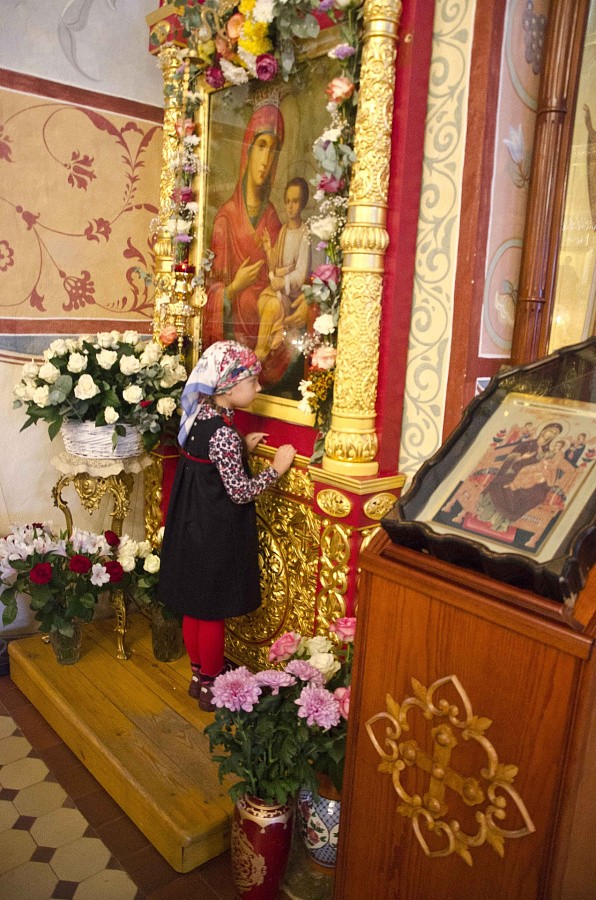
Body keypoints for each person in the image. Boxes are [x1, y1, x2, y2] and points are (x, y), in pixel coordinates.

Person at [157, 341, 296, 711]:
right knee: (211, 612)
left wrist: (241, 449)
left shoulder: (199, 418)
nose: (259, 388)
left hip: (191, 527)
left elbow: (211, 465)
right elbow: (240, 491)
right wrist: (276, 469)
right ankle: (212, 686)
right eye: (253, 382)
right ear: (229, 387)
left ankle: (197, 676)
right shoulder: (223, 433)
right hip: (214, 533)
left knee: (193, 607)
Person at [203, 103, 293, 388]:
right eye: (261, 146)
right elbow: (209, 292)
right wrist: (234, 287)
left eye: (273, 150)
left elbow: (283, 281)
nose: (266, 160)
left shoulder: (273, 219)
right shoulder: (226, 219)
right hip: (236, 343)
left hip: (267, 329)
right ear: (248, 151)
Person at [256, 176, 311, 362]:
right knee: (262, 302)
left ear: (302, 203)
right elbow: (276, 265)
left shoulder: (305, 233)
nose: (290, 207)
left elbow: (300, 273)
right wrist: (268, 249)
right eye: (287, 201)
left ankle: (260, 353)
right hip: (277, 289)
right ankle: (267, 345)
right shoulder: (284, 230)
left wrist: (283, 281)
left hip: (291, 296)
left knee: (272, 306)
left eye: (295, 201)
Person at [475, 422, 563, 532]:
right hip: (514, 470)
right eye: (551, 431)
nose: (551, 434)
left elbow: (549, 468)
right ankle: (488, 514)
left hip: (531, 476)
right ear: (544, 430)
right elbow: (509, 459)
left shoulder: (548, 452)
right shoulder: (527, 444)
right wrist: (522, 457)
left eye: (555, 433)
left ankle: (501, 522)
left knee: (537, 494)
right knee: (510, 483)